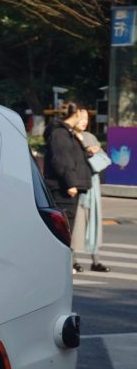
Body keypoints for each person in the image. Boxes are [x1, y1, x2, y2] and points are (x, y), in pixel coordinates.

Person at [42, 102, 98, 272]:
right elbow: (61, 160)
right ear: (77, 114)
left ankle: (58, 264)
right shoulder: (60, 133)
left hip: (69, 188)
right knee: (62, 229)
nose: (85, 119)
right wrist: (70, 183)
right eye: (84, 115)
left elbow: (73, 156)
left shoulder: (68, 133)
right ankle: (56, 265)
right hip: (63, 189)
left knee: (66, 229)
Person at [75, 113, 109, 272]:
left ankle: (96, 261)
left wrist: (94, 153)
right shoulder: (69, 137)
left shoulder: (90, 136)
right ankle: (72, 260)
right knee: (76, 226)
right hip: (76, 187)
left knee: (93, 224)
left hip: (92, 187)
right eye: (81, 119)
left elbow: (105, 159)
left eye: (86, 120)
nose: (84, 122)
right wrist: (87, 154)